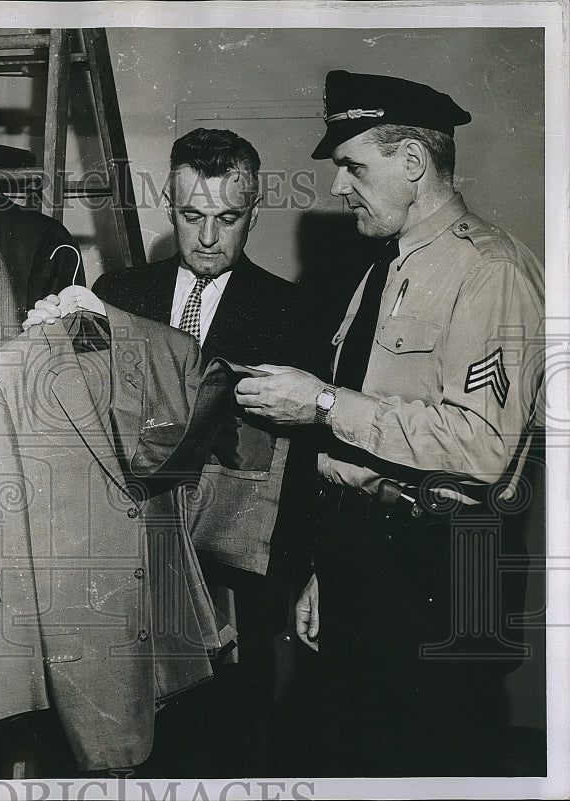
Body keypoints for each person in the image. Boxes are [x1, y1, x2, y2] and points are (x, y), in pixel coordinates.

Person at [232, 70, 544, 775]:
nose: (339, 186)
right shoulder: (385, 266)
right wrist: (326, 571)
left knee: (426, 762)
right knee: (350, 755)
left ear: (412, 164)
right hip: (366, 561)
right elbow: (368, 438)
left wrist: (320, 403)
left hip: (437, 570)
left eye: (352, 165)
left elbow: (483, 445)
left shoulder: (486, 271)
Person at [27, 128, 314, 777]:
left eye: (227, 218)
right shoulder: (119, 294)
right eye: (191, 216)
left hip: (232, 583)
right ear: (170, 207)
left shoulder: (293, 314)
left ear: (253, 211)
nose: (208, 236)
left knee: (229, 748)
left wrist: (303, 577)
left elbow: (298, 473)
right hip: (134, 577)